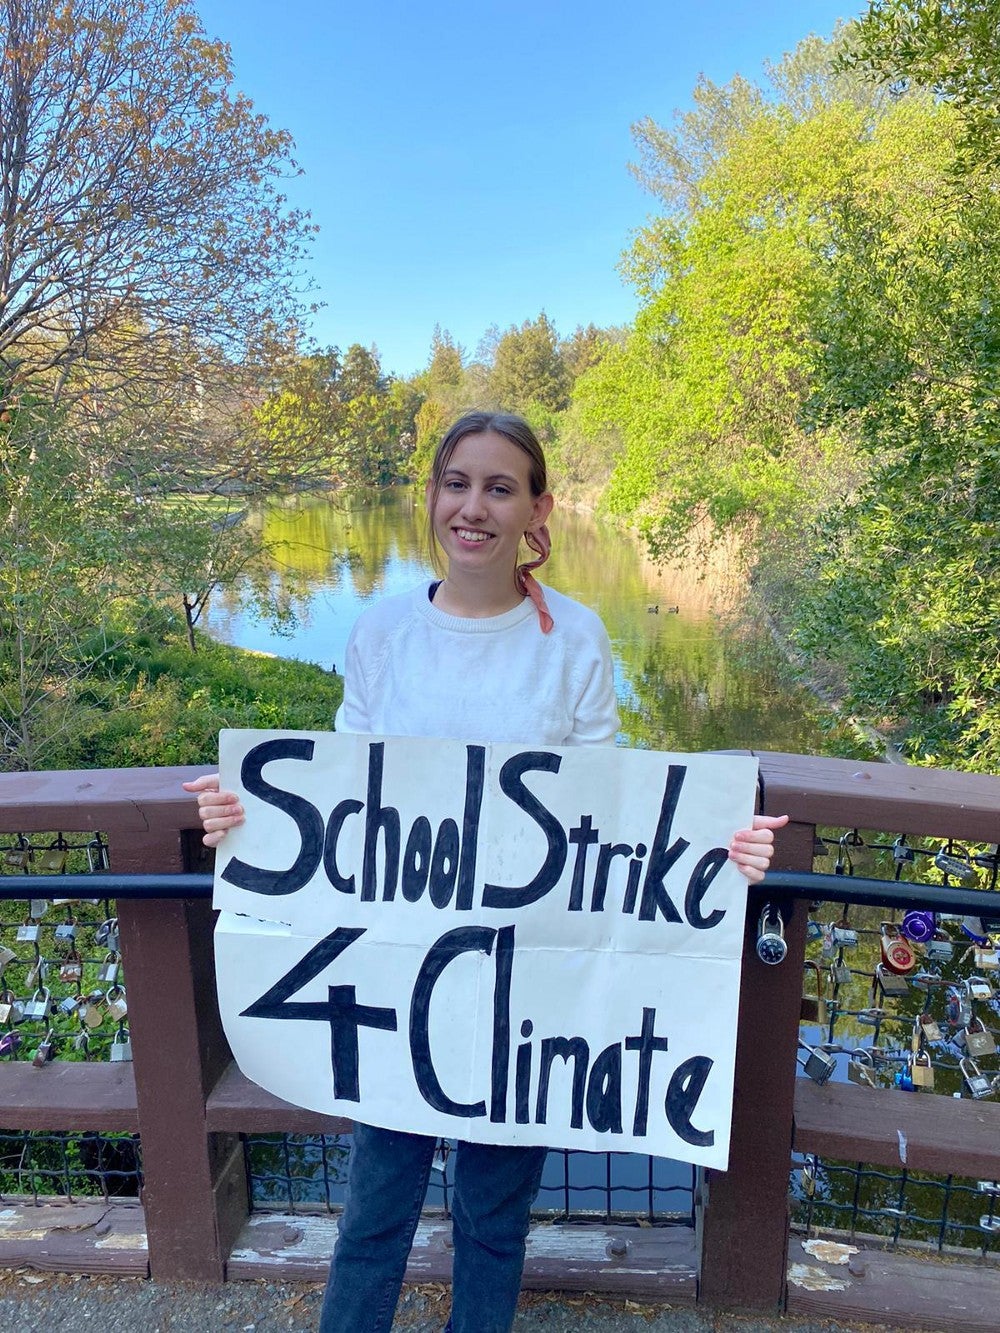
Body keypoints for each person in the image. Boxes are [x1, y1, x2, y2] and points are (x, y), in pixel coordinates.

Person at [184, 411, 787, 1333]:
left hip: (528, 990)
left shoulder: (575, 638)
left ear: (537, 508)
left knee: (495, 1224)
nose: (474, 506)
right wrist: (246, 819)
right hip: (396, 982)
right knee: (374, 1215)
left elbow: (610, 802)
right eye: (457, 482)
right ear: (432, 494)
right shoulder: (381, 632)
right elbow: (347, 792)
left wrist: (717, 847)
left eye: (500, 487)